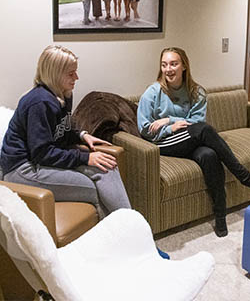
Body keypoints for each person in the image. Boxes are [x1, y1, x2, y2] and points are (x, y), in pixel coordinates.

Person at [0, 45, 170, 259]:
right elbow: (41, 153)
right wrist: (86, 157)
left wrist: (81, 136)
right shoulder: (39, 103)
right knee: (92, 188)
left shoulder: (63, 94)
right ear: (54, 73)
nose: (77, 77)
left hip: (42, 161)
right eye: (71, 73)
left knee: (107, 166)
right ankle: (123, 248)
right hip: (22, 170)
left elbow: (61, 132)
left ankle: (137, 240)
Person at [137, 47, 250, 237]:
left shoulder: (196, 91)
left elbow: (195, 122)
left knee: (209, 155)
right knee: (205, 129)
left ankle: (220, 217)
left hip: (189, 138)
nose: (168, 69)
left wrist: (169, 120)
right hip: (163, 142)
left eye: (174, 64)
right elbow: (144, 128)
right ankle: (244, 176)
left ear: (184, 66)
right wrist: (169, 129)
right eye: (164, 64)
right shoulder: (153, 92)